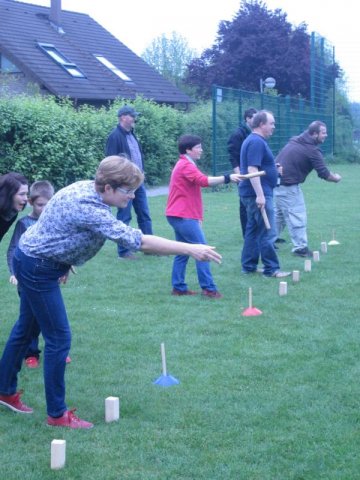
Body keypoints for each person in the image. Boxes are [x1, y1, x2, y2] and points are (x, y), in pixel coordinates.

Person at [0, 155, 222, 429]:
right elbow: (139, 242)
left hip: (34, 257)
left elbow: (56, 224)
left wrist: (64, 260)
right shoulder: (91, 208)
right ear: (108, 188)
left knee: (25, 328)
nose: (131, 197)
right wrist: (190, 248)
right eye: (127, 191)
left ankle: (5, 390)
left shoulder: (86, 187)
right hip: (38, 266)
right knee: (59, 338)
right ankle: (57, 414)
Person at [166, 134, 242, 299]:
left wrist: (198, 218)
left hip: (178, 214)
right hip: (181, 215)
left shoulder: (186, 163)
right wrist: (228, 178)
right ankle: (209, 289)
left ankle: (178, 288)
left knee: (183, 252)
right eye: (198, 147)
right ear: (188, 150)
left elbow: (193, 190)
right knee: (203, 251)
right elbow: (203, 181)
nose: (201, 150)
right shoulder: (185, 165)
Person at [6, 180, 71, 368]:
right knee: (30, 320)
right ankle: (31, 353)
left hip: (47, 279)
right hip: (26, 279)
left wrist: (65, 266)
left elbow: (61, 247)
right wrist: (14, 272)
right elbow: (13, 250)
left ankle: (57, 350)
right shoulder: (24, 223)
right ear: (31, 203)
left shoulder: (55, 222)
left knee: (50, 317)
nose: (44, 209)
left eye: (48, 204)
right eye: (40, 204)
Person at [274, 121, 342, 257]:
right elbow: (324, 173)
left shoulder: (296, 141)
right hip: (288, 187)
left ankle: (266, 241)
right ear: (314, 133)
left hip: (276, 185)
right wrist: (336, 178)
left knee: (279, 216)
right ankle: (300, 248)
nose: (326, 135)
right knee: (297, 215)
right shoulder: (311, 150)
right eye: (323, 133)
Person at [239, 110, 290, 278]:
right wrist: (260, 195)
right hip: (257, 194)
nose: (273, 127)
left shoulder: (254, 141)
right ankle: (271, 269)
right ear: (261, 124)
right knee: (267, 232)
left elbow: (258, 166)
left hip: (251, 193)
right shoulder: (256, 142)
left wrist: (273, 170)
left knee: (253, 230)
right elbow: (252, 169)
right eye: (271, 123)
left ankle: (249, 266)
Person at [105, 105, 153, 259]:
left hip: (139, 183)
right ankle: (124, 252)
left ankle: (150, 248)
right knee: (124, 217)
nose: (134, 119)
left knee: (144, 215)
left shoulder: (131, 134)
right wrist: (119, 183)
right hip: (125, 185)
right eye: (132, 116)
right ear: (123, 117)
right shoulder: (114, 136)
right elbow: (111, 161)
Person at [227, 107, 257, 237]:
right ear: (248, 119)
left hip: (253, 172)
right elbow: (233, 155)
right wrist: (239, 175)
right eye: (255, 118)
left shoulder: (255, 133)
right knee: (244, 205)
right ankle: (247, 234)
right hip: (243, 173)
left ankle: (263, 233)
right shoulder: (238, 134)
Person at [0, 172, 28, 243]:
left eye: (26, 194)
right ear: (8, 195)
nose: (26, 198)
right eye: (22, 194)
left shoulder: (12, 213)